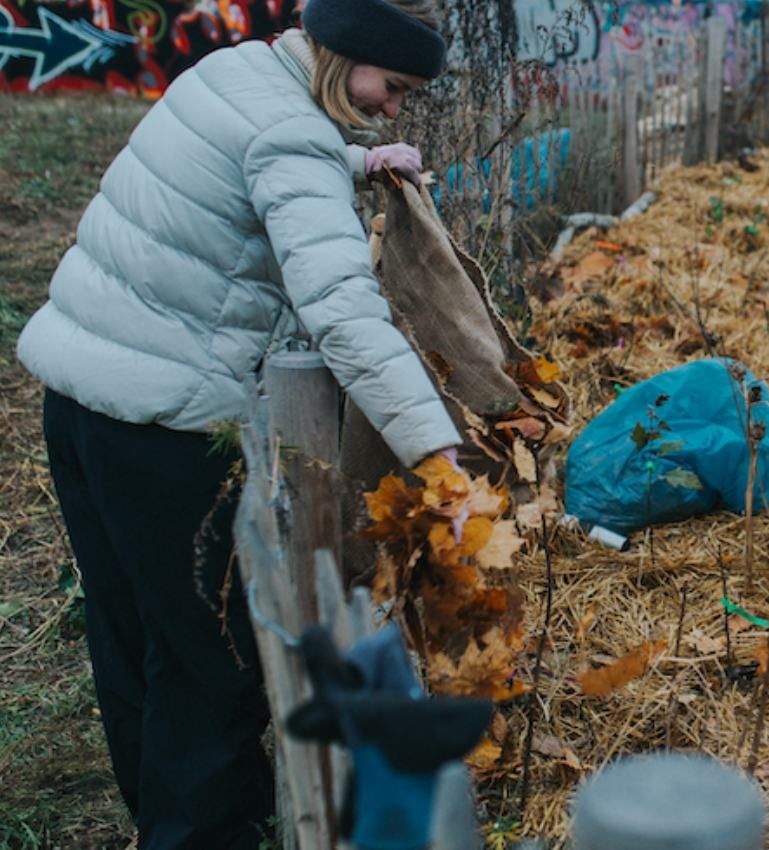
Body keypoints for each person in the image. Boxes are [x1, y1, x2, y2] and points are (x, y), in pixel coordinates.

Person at [15, 0, 462, 845]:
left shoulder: (234, 71)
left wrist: (357, 160)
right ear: (344, 54)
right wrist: (438, 450)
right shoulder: (292, 138)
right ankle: (200, 833)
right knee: (212, 665)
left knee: (130, 631)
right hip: (159, 433)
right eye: (391, 87)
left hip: (77, 402)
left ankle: (160, 814)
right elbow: (344, 313)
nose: (394, 107)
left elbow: (242, 162)